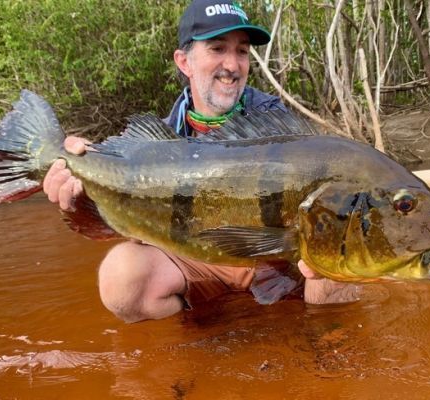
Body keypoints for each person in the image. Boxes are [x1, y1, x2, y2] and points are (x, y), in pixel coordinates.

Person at [43, 0, 358, 322]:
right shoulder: (157, 143)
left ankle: (328, 348)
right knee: (122, 275)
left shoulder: (279, 126)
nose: (233, 65)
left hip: (276, 258)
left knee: (337, 249)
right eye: (218, 48)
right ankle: (208, 325)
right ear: (184, 62)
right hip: (202, 253)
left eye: (242, 51)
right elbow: (140, 230)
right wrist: (82, 189)